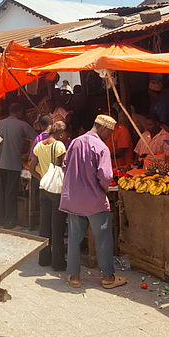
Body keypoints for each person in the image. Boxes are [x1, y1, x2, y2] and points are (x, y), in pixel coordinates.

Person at [60, 114, 126, 290]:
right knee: (103, 238)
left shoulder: (75, 142)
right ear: (104, 128)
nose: (109, 136)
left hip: (74, 199)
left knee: (74, 237)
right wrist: (101, 190)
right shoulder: (101, 147)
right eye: (110, 132)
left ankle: (74, 277)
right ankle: (107, 278)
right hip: (94, 200)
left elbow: (65, 165)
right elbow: (105, 176)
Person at [0, 103, 38, 229]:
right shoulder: (23, 125)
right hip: (14, 164)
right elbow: (37, 139)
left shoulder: (0, 123)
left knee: (1, 192)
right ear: (19, 112)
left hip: (1, 164)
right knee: (10, 193)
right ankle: (9, 223)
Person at [29, 121, 69, 271]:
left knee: (44, 226)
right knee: (57, 226)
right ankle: (58, 262)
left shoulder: (39, 145)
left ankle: (44, 258)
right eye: (64, 134)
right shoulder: (59, 145)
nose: (65, 137)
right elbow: (65, 167)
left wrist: (43, 178)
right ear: (60, 133)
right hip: (56, 191)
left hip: (44, 189)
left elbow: (31, 168)